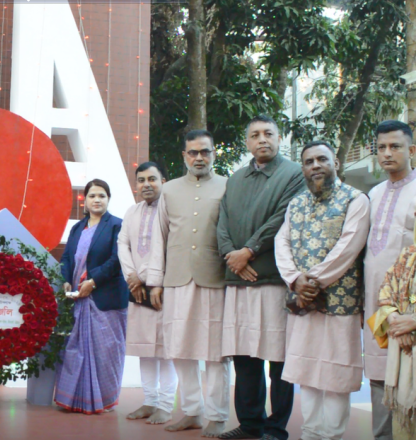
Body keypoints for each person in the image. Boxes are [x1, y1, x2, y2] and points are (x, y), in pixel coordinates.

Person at [216, 115, 304, 440]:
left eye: (268, 133)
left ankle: (276, 428)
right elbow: (222, 220)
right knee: (244, 356)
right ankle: (250, 423)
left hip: (273, 281)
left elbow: (282, 217)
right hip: (239, 281)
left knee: (278, 359)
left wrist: (248, 251)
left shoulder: (294, 173)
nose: (262, 139)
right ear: (247, 142)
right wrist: (232, 256)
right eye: (255, 135)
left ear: (279, 138)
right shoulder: (236, 178)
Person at [275, 140, 370, 440]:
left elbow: (348, 248)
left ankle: (331, 435)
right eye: (308, 161)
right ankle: (310, 433)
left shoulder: (356, 200)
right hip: (302, 303)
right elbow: (282, 242)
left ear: (336, 164)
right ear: (303, 168)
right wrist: (294, 280)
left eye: (321, 159)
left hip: (340, 302)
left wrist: (311, 281)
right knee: (307, 372)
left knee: (335, 375)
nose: (315, 165)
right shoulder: (297, 203)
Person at [147, 130, 230, 437]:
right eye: (193, 152)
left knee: (215, 353)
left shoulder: (227, 186)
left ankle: (218, 416)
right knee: (180, 350)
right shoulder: (168, 190)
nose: (199, 157)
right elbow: (160, 237)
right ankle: (192, 412)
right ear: (184, 156)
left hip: (214, 279)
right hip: (177, 279)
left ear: (213, 154)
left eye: (205, 152)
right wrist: (155, 282)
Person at [54, 179, 128, 414]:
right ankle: (77, 400)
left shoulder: (117, 225)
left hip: (106, 300)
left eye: (102, 196)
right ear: (84, 201)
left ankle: (103, 400)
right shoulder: (77, 228)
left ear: (108, 199)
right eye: (92, 196)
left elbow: (117, 261)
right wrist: (66, 279)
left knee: (106, 353)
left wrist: (93, 281)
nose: (97, 200)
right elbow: (66, 258)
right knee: (77, 350)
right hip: (79, 298)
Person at [364, 120, 416, 440]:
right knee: (381, 374)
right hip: (378, 307)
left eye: (395, 146)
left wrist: (410, 317)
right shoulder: (372, 193)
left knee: (408, 375)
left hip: (408, 310)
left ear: (411, 150)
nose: (387, 153)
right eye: (381, 147)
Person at [118, 161, 177, 425]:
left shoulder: (171, 211)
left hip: (163, 288)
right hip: (137, 289)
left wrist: (151, 280)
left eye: (152, 179)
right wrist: (132, 277)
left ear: (163, 180)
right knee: (144, 348)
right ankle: (150, 401)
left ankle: (165, 405)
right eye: (141, 180)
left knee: (165, 350)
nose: (146, 185)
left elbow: (168, 248)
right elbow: (123, 245)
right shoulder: (132, 212)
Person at [371, 237, 416, 439]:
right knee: (404, 427)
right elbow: (386, 290)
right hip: (405, 348)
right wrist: (398, 323)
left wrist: (414, 323)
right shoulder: (409, 254)